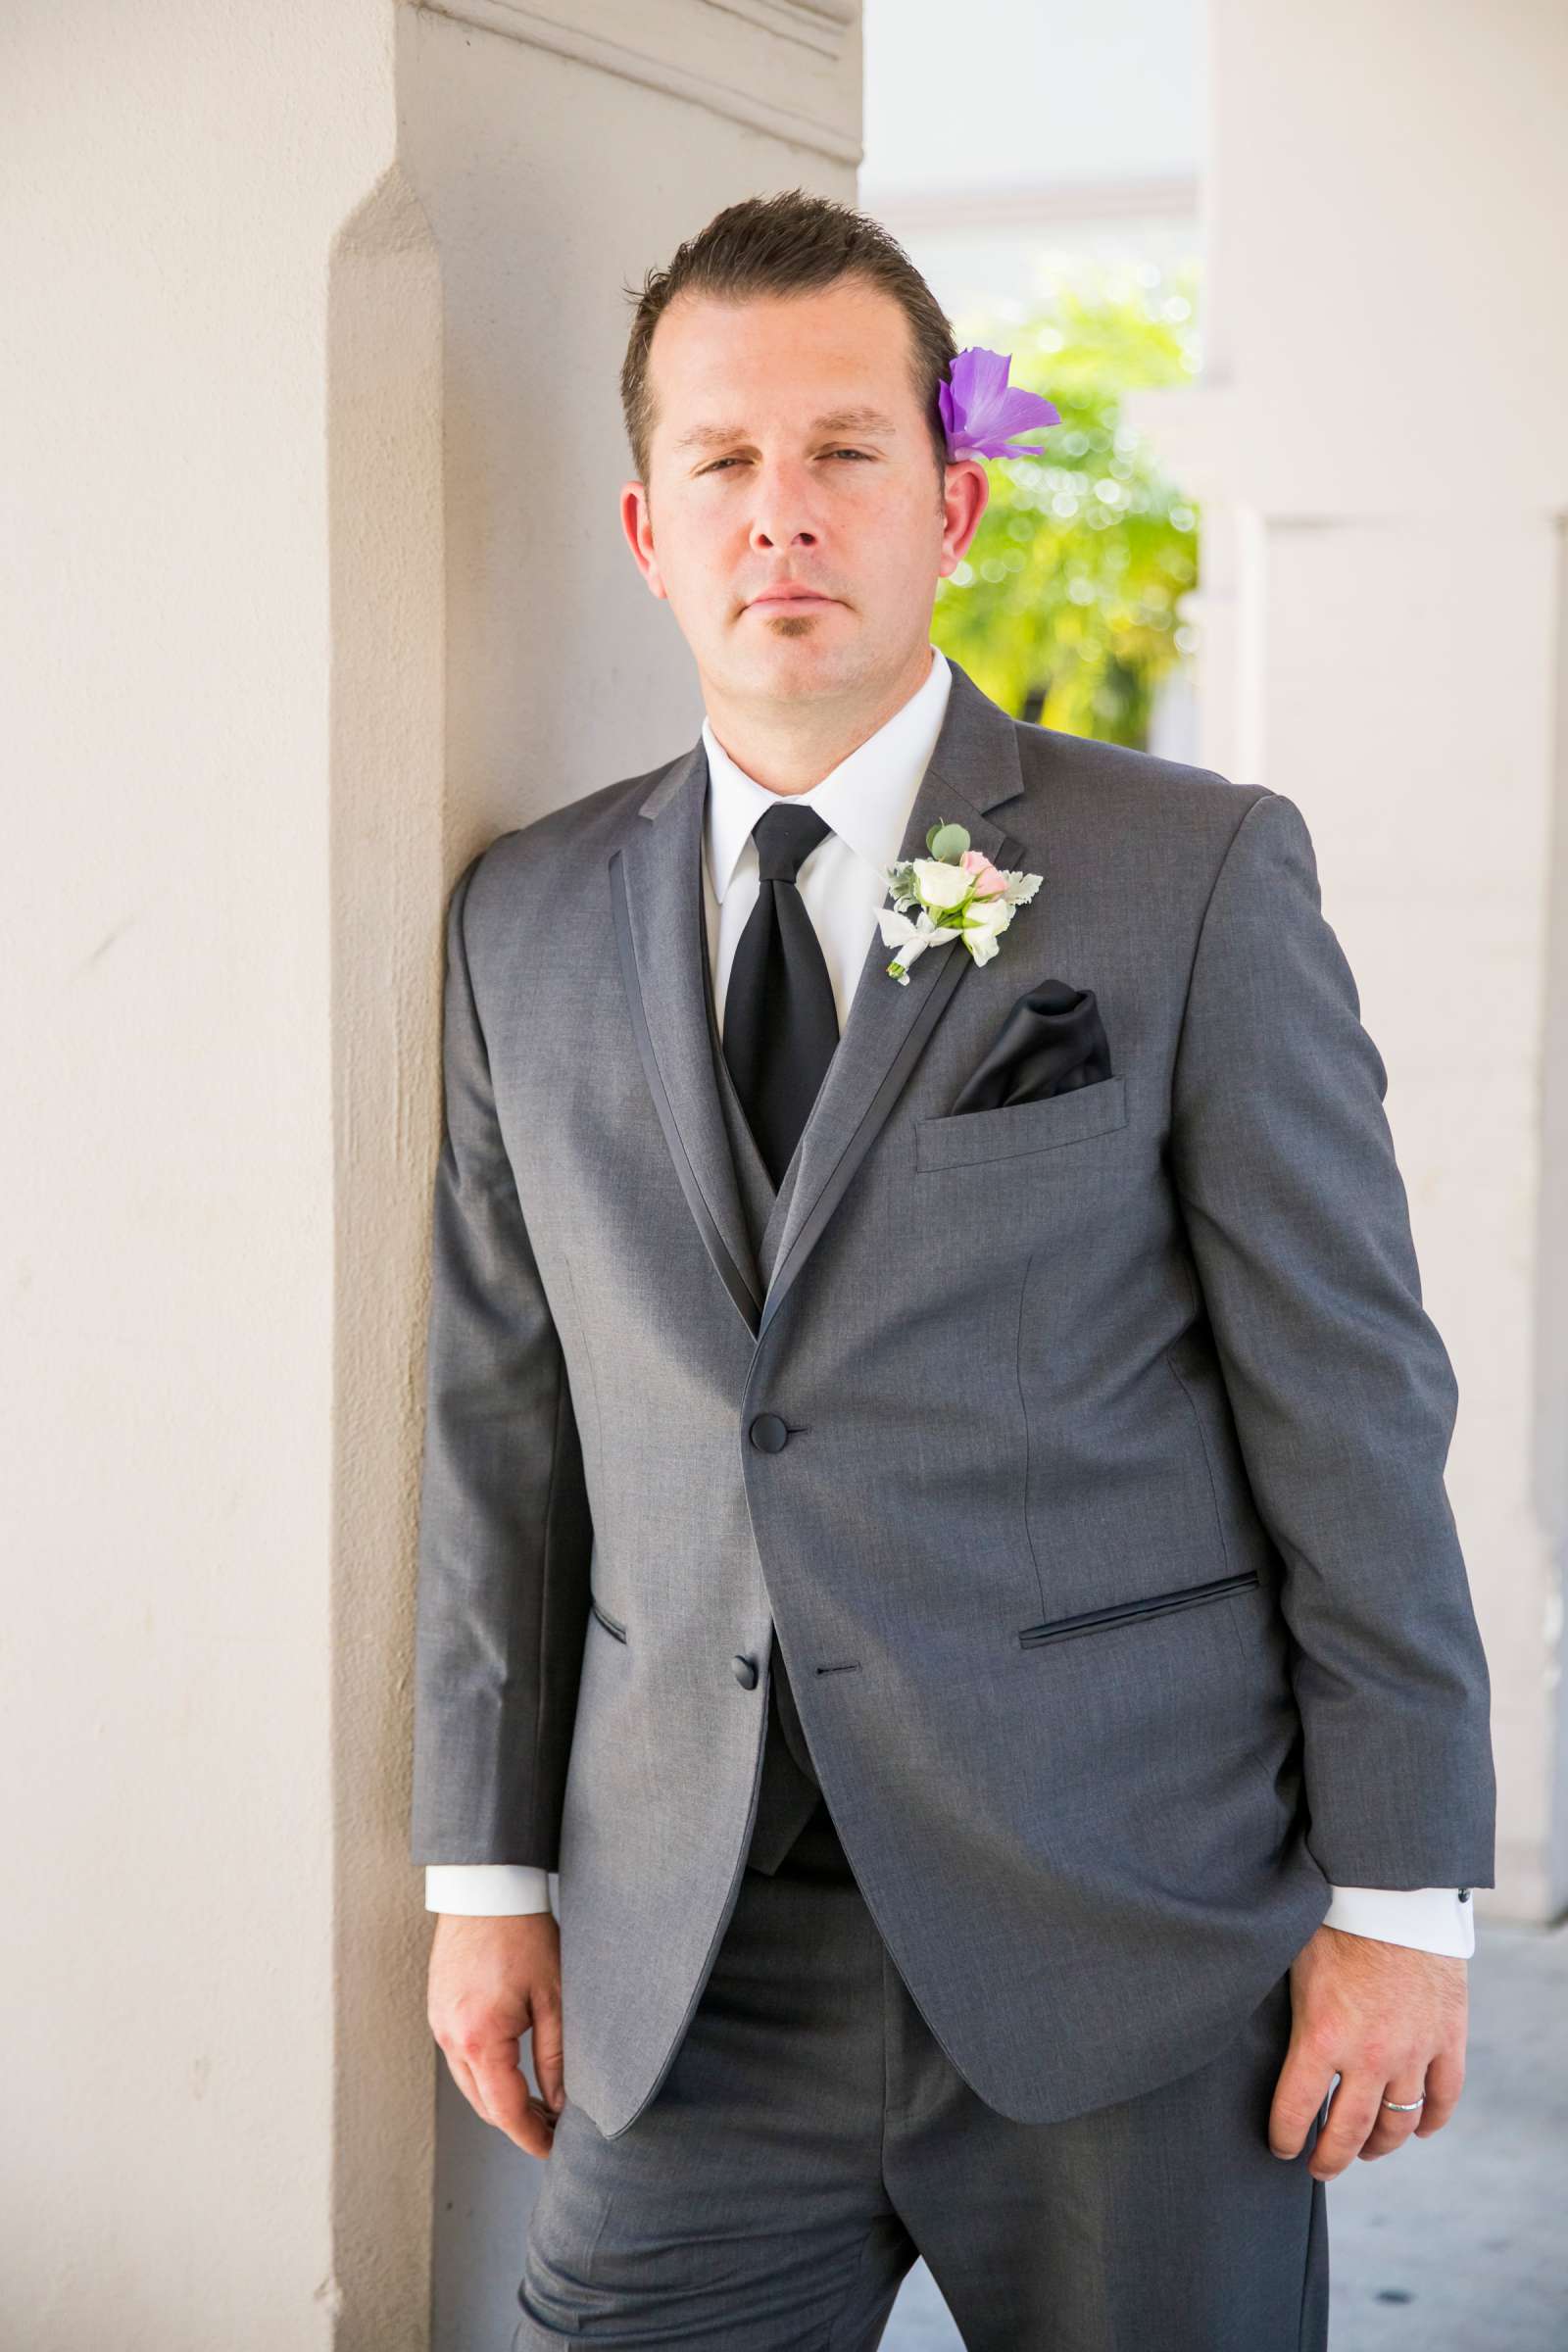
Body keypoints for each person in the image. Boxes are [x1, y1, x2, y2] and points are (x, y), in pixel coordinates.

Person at [411, 189, 1494, 2349]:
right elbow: (500, 1420)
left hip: (1124, 1938)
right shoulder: (515, 920)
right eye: (721, 463)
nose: (779, 515)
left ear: (951, 505)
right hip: (685, 1964)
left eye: (843, 455)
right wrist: (486, 1878)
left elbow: (1345, 1397)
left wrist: (1398, 1896)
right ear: (644, 528)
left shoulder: (1182, 879)